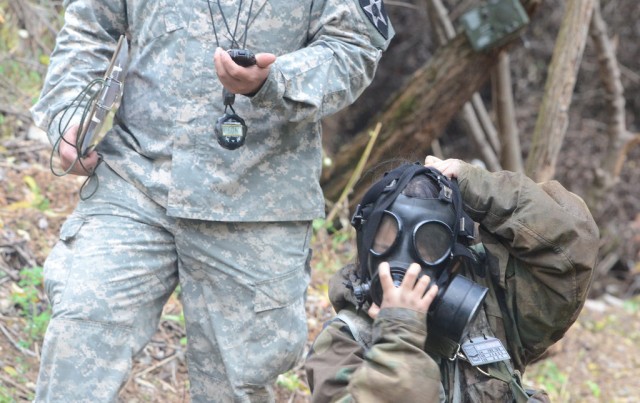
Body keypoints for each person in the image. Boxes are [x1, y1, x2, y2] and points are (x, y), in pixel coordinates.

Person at [30, 0, 394, 401]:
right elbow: (91, 24)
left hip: (256, 204)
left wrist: (275, 80)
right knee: (76, 341)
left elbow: (353, 47)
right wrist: (69, 112)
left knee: (235, 388)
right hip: (134, 179)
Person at [305, 156, 600, 402]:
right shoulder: (343, 343)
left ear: (454, 254)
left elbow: (571, 249)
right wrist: (399, 333)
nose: (406, 263)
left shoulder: (492, 309)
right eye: (388, 239)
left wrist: (480, 188)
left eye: (428, 243)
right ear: (366, 243)